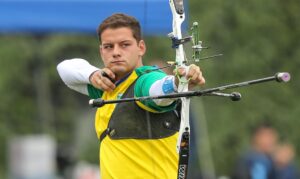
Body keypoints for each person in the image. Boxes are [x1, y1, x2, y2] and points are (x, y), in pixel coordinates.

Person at [57, 13, 205, 178]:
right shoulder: (106, 87)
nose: (116, 52)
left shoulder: (145, 80)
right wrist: (92, 75)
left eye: (124, 45)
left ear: (141, 47)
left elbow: (157, 90)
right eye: (108, 46)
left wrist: (178, 83)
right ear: (101, 51)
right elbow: (64, 69)